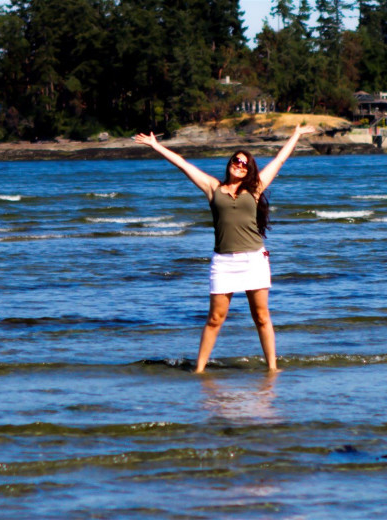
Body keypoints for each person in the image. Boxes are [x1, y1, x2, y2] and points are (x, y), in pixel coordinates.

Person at [134, 124, 316, 373]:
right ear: (230, 163)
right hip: (223, 262)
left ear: (248, 170)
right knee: (215, 319)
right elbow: (183, 165)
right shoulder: (213, 188)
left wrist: (295, 135)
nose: (239, 164)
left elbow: (280, 160)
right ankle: (199, 369)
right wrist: (156, 146)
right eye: (236, 160)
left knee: (261, 317)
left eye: (244, 163)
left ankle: (273, 368)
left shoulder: (255, 189)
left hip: (254, 260)